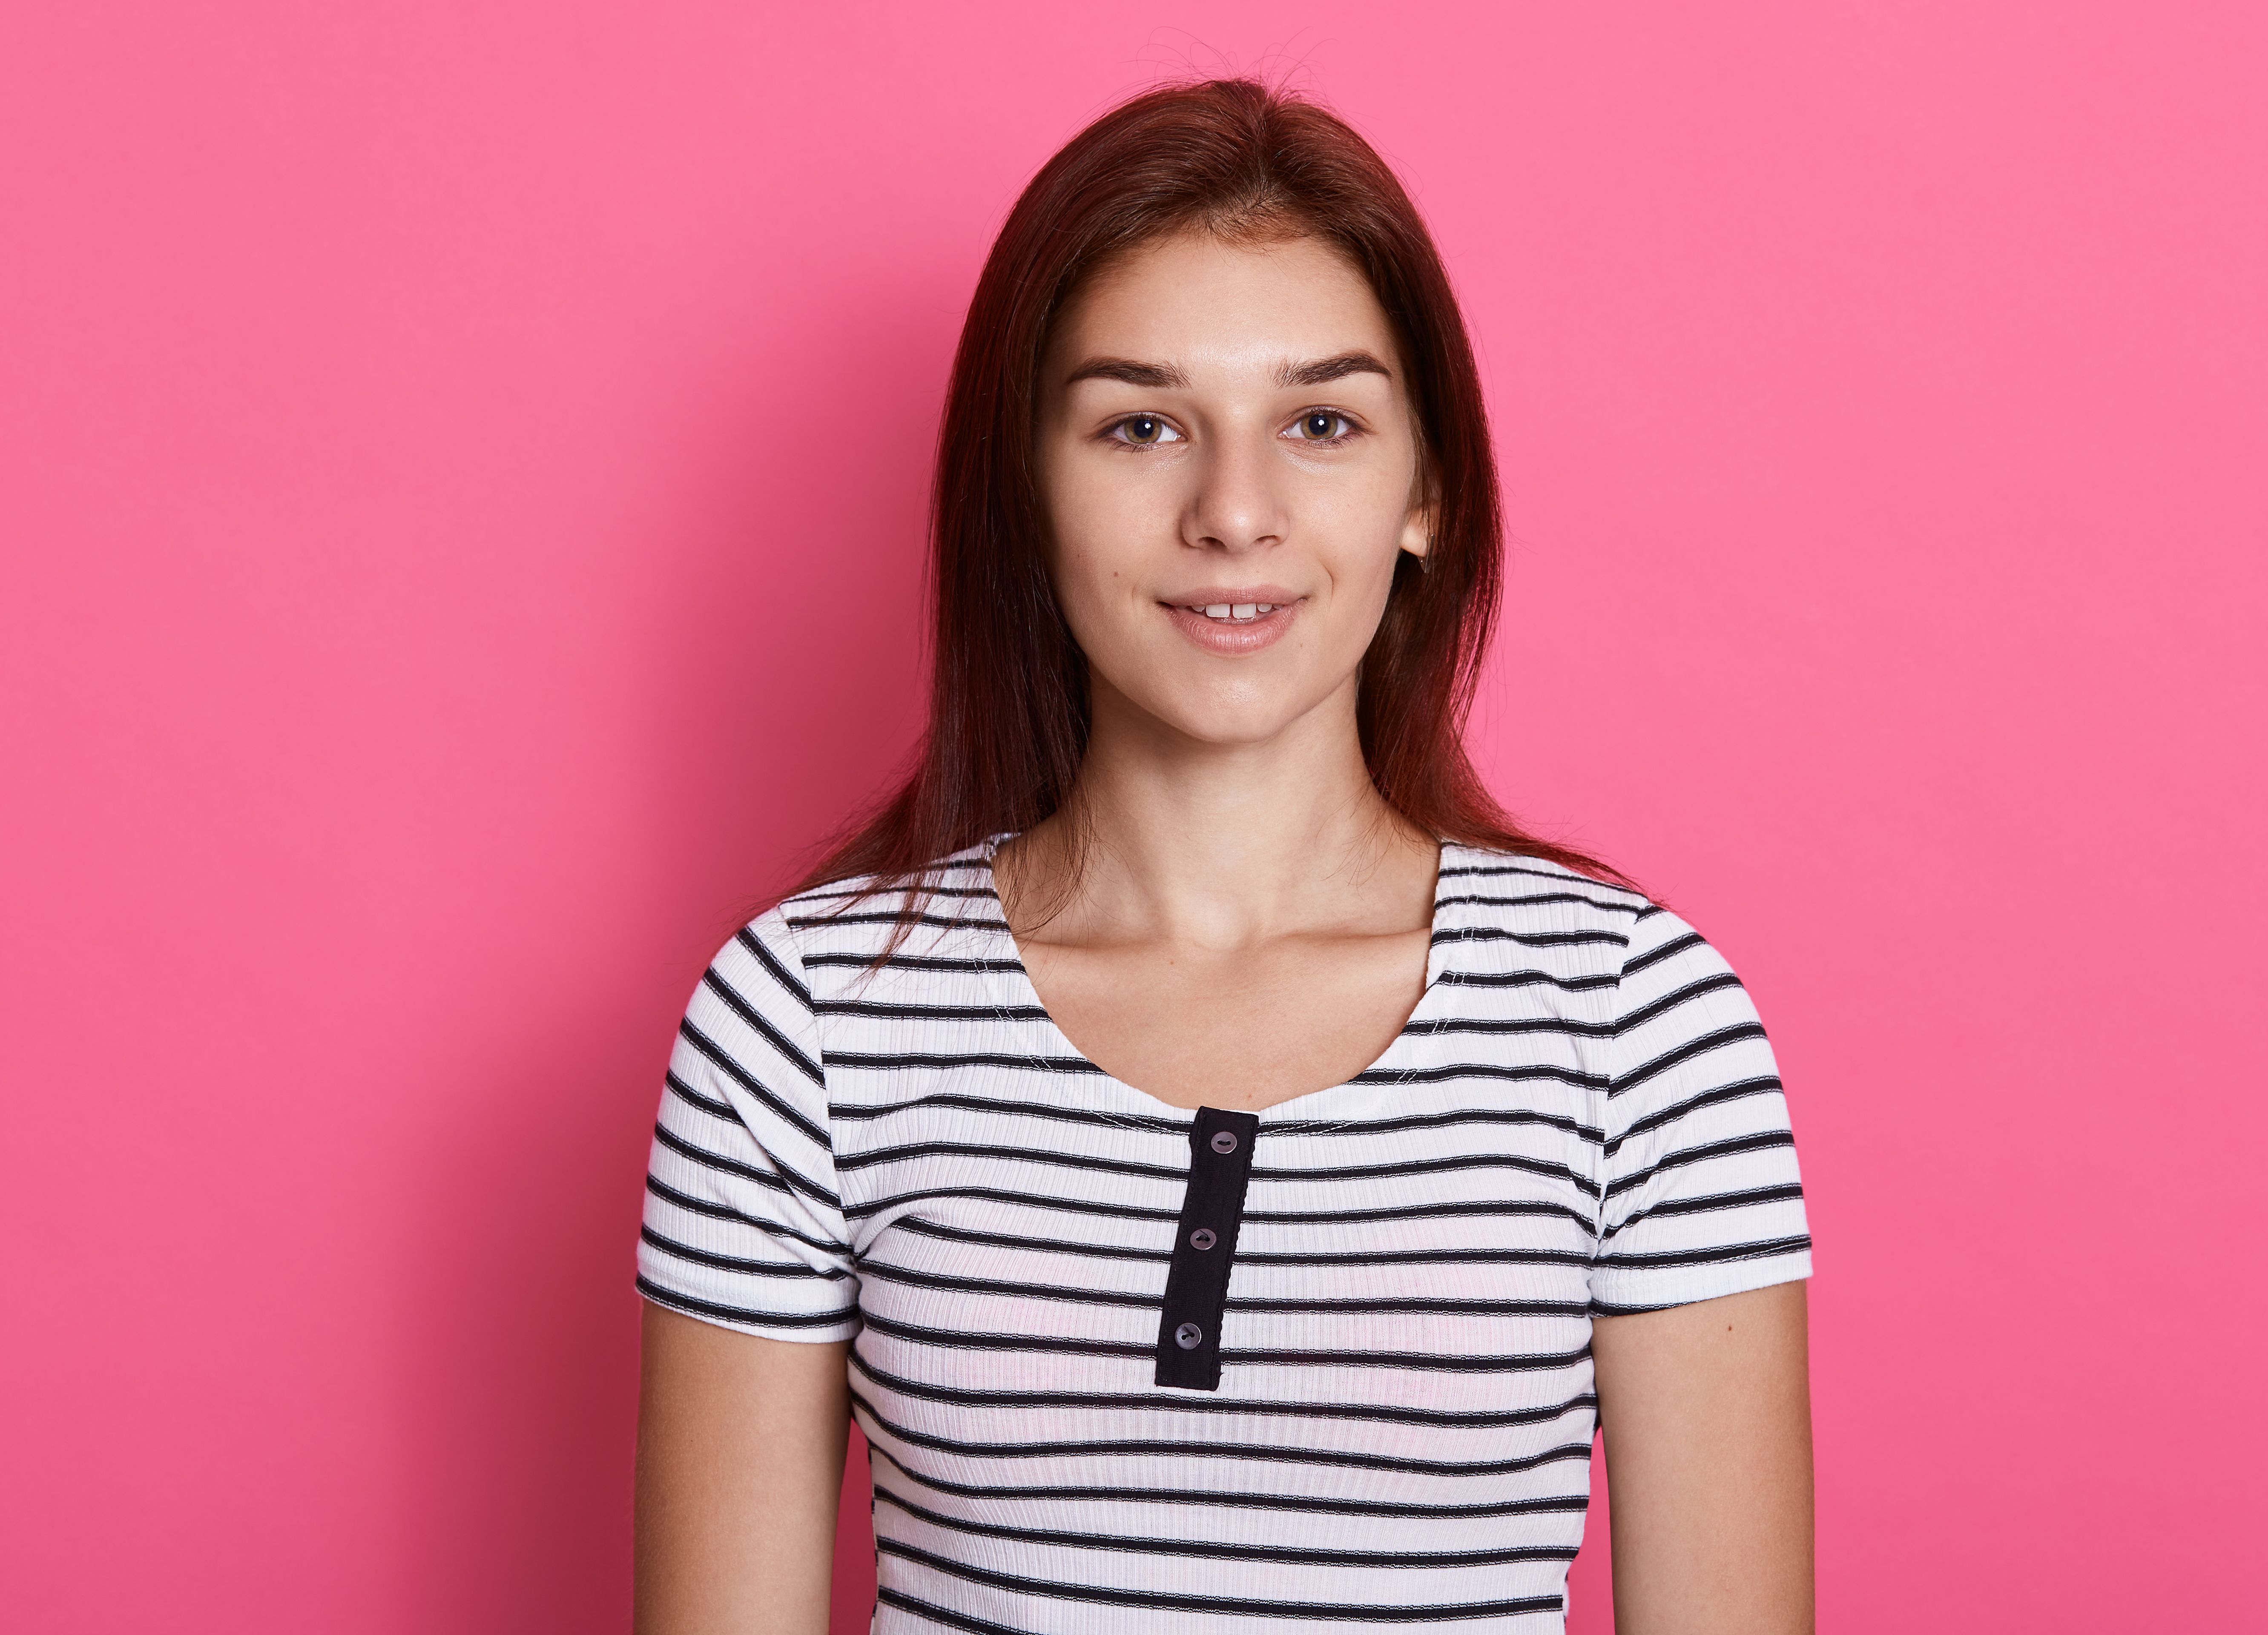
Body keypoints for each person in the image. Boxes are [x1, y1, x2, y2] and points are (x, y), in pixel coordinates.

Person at [634, 77, 1814, 1634]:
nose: (1235, 513)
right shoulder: (805, 1019)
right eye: (1141, 426)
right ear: (1026, 492)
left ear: (1428, 492)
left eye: (1320, 424)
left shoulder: (1635, 1023)